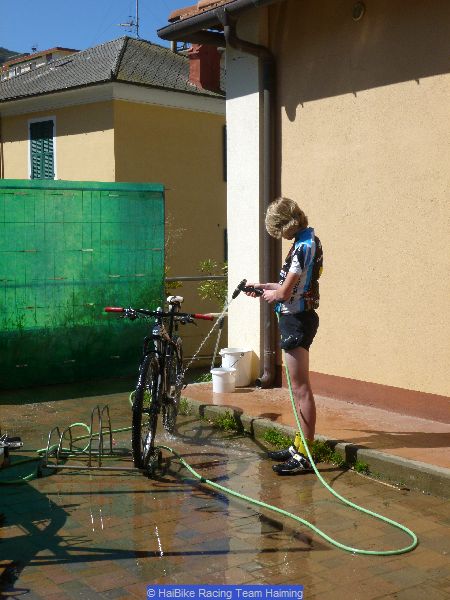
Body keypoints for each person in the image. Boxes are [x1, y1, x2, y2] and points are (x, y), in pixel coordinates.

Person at [247, 197, 323, 475]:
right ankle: (298, 446)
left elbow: (284, 292)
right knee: (298, 389)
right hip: (298, 318)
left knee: (301, 389)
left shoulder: (303, 247)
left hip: (296, 321)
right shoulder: (307, 241)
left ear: (284, 225)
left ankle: (305, 456)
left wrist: (272, 294)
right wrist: (263, 286)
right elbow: (288, 284)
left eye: (277, 230)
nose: (279, 236)